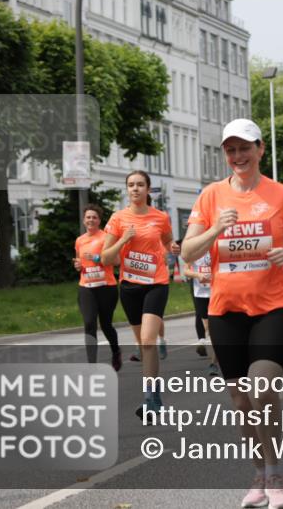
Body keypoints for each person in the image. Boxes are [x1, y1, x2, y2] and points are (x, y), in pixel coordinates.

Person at [182, 118, 283, 509]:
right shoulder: (210, 197)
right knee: (241, 401)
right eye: (231, 149)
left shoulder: (281, 195)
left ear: (260, 149)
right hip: (225, 310)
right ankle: (258, 475)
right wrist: (215, 230)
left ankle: (275, 476)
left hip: (274, 306)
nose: (238, 156)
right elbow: (188, 251)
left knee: (262, 388)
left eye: (244, 148)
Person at [102, 170, 177, 418]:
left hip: (156, 283)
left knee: (147, 340)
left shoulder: (160, 217)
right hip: (129, 286)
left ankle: (148, 398)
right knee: (144, 345)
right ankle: (155, 395)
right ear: (127, 189)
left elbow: (167, 241)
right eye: (131, 185)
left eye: (140, 185)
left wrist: (172, 248)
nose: (135, 189)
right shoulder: (118, 218)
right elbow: (106, 258)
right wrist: (123, 239)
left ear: (148, 189)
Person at [73, 204, 121, 370]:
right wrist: (78, 265)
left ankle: (116, 351)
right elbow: (80, 262)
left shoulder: (106, 237)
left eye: (94, 217)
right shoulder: (79, 240)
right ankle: (91, 365)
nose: (91, 220)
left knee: (106, 324)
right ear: (84, 220)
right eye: (88, 217)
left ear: (99, 220)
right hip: (86, 286)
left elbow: (116, 261)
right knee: (89, 323)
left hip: (106, 287)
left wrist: (95, 257)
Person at [181, 250, 219, 375]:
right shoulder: (197, 250)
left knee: (214, 329)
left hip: (218, 292)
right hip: (201, 294)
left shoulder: (217, 247)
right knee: (208, 327)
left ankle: (213, 363)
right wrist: (197, 275)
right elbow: (186, 270)